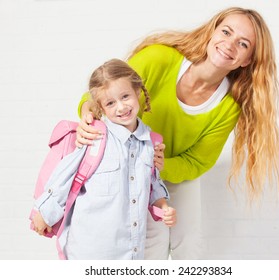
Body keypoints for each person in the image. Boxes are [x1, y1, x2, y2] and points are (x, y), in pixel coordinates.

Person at [76, 7, 279, 259]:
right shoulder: (158, 59)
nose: (229, 44)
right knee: (149, 241)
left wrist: (160, 164)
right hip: (132, 167)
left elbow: (197, 161)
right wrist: (87, 112)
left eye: (242, 43)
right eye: (226, 32)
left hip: (174, 172)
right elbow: (106, 92)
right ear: (212, 32)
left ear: (247, 60)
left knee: (189, 242)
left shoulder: (228, 106)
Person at [32, 59, 177, 260]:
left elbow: (152, 183)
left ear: (137, 91)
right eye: (110, 103)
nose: (121, 107)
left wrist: (163, 207)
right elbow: (66, 174)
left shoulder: (149, 142)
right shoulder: (96, 136)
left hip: (130, 252)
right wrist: (44, 213)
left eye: (125, 96)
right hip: (88, 250)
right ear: (101, 107)